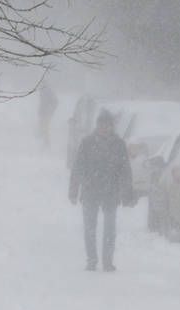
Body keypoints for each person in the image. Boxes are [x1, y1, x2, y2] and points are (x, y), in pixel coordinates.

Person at [68, 109, 134, 271]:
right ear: (97, 125)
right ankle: (91, 259)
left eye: (107, 125)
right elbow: (77, 167)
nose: (104, 127)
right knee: (90, 228)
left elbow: (125, 170)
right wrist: (73, 190)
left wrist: (127, 192)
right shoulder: (87, 142)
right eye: (101, 124)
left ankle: (107, 261)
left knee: (110, 229)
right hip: (90, 191)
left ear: (112, 126)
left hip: (111, 192)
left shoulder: (119, 144)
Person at [37, 83, 59, 149]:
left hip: (47, 113)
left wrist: (49, 110)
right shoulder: (43, 92)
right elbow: (42, 103)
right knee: (42, 127)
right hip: (43, 113)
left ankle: (46, 144)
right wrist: (40, 111)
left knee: (45, 127)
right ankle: (43, 142)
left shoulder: (48, 92)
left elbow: (55, 102)